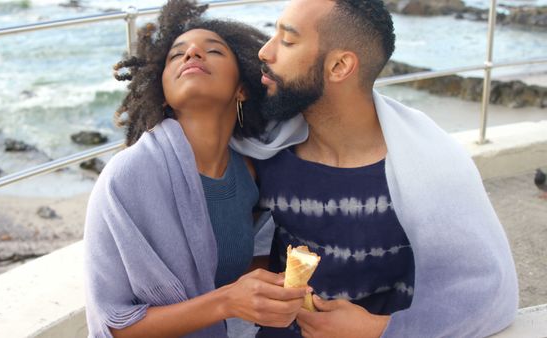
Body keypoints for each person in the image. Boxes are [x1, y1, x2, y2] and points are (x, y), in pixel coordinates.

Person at [230, 0, 519, 337]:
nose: (265, 51)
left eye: (288, 41)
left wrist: (377, 329)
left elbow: (489, 292)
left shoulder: (426, 167)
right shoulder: (266, 150)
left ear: (339, 66)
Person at [83, 1, 310, 337]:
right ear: (163, 94)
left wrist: (276, 294)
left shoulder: (248, 175)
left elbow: (237, 269)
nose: (191, 54)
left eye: (213, 51)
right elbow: (114, 325)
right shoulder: (127, 176)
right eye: (177, 54)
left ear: (242, 88)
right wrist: (227, 302)